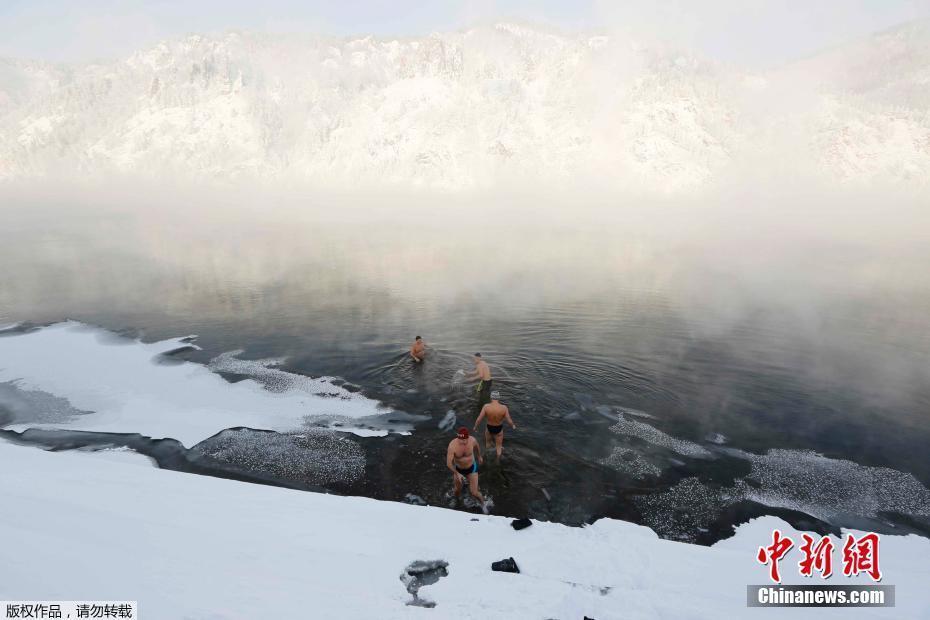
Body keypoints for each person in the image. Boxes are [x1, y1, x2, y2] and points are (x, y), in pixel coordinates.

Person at [446, 427, 486, 508]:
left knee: (474, 492)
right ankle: (456, 501)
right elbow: (449, 464)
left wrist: (479, 456)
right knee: (457, 490)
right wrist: (457, 474)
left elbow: (477, 446)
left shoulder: (472, 440)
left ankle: (484, 505)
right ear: (458, 437)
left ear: (468, 437)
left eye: (465, 439)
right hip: (459, 470)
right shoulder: (452, 446)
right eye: (461, 439)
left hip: (471, 468)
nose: (464, 441)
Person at [474, 390, 516, 462]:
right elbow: (509, 419)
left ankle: (487, 458)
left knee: (488, 443)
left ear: (491, 397)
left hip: (489, 427)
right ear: (498, 398)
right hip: (498, 428)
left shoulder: (486, 406)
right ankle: (497, 461)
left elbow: (479, 419)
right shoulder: (504, 408)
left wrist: (475, 427)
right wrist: (513, 425)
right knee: (499, 446)